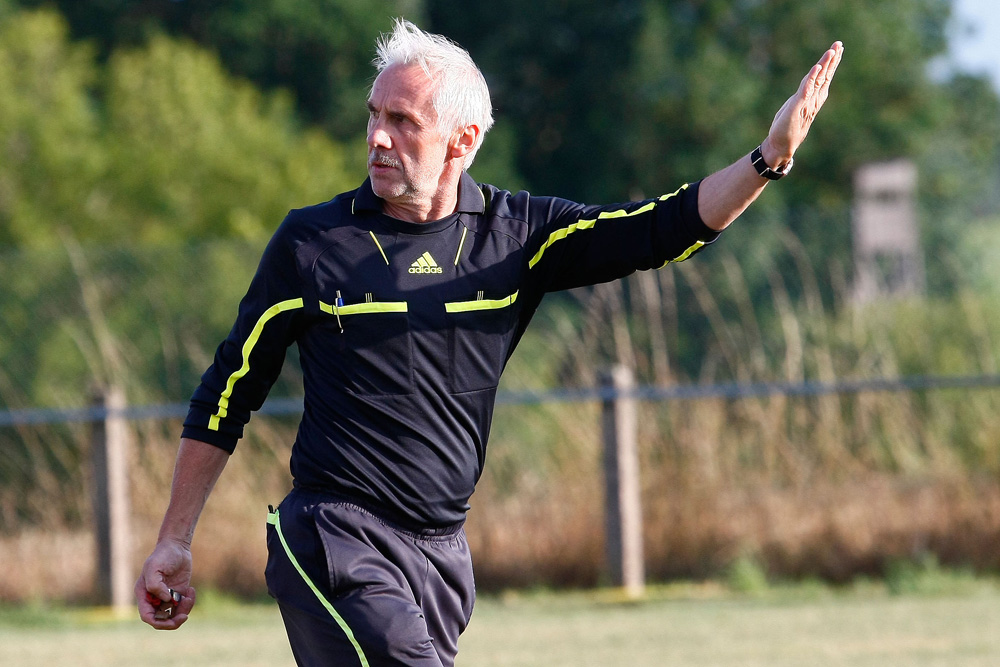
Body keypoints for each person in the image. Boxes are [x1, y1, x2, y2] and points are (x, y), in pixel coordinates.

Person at [135, 18, 843, 667]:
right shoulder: (314, 244)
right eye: (375, 117)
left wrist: (767, 158)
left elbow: (659, 229)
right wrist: (176, 537)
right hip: (332, 535)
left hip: (443, 555)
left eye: (403, 121)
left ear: (463, 140)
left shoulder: (519, 237)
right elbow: (229, 389)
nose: (379, 137)